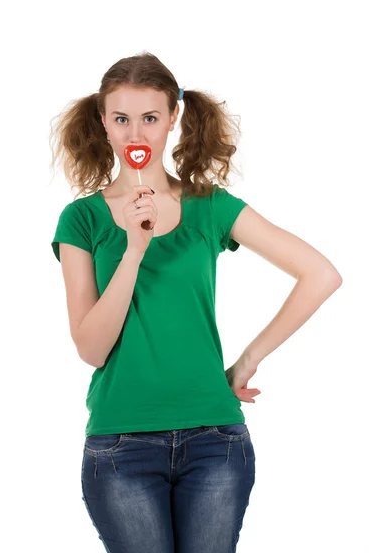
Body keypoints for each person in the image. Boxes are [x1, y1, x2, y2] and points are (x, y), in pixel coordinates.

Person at [50, 51, 342, 552]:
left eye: (149, 118)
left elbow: (320, 274)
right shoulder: (82, 220)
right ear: (103, 121)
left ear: (173, 119)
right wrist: (134, 250)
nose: (135, 134)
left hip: (216, 442)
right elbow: (92, 349)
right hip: (120, 446)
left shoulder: (211, 207)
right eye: (121, 119)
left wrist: (246, 363)